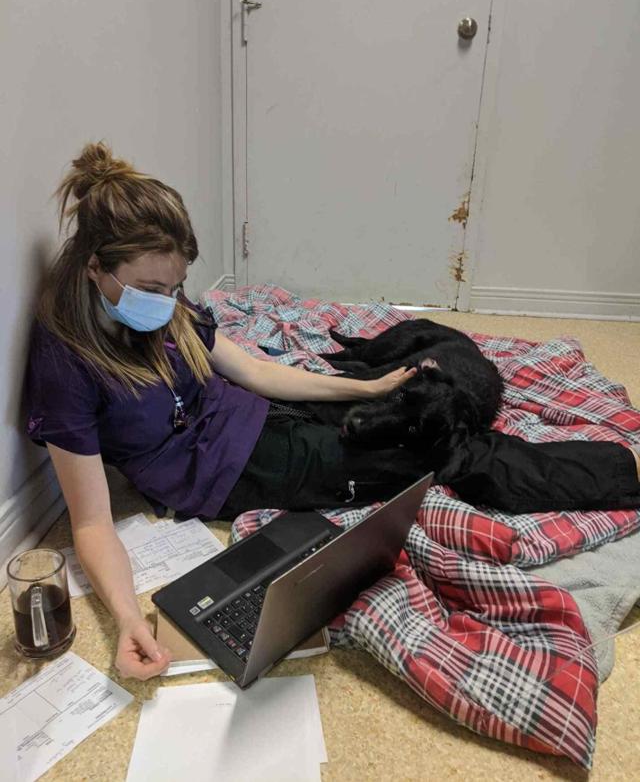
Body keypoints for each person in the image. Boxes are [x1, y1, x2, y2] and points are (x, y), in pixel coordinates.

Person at [25, 143, 640, 681]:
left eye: (177, 285)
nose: (169, 300)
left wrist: (363, 392)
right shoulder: (66, 363)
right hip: (223, 472)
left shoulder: (161, 304)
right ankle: (625, 476)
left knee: (411, 409)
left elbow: (254, 370)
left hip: (255, 415)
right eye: (153, 290)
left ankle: (604, 464)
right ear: (95, 269)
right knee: (437, 456)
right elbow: (89, 524)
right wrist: (130, 619)